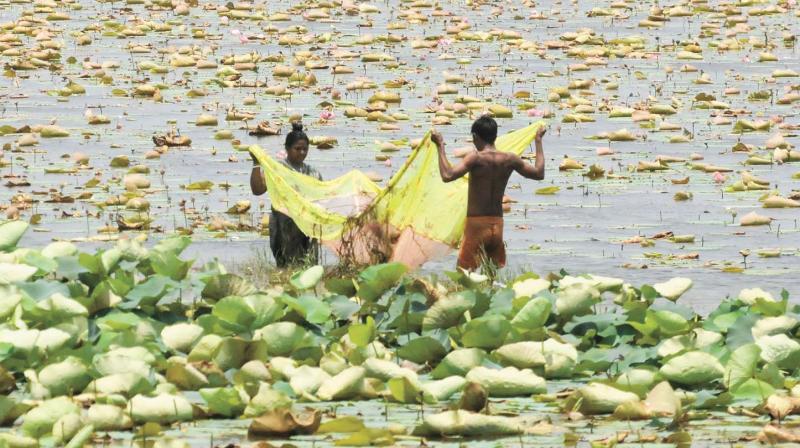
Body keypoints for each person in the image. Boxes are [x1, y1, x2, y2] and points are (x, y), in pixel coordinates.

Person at [432, 116, 546, 271]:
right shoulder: (509, 158)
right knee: (490, 276)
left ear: (475, 137)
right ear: (495, 136)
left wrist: (440, 146)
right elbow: (539, 173)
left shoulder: (476, 158)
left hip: (476, 226)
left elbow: (447, 175)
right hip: (497, 226)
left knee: (463, 276)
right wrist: (538, 140)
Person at [250, 122, 322, 267]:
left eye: (305, 149)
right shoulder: (278, 170)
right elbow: (257, 190)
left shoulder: (313, 173)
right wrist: (256, 164)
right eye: (297, 149)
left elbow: (322, 200)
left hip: (307, 227)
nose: (302, 152)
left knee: (309, 266)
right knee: (284, 266)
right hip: (283, 226)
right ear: (287, 149)